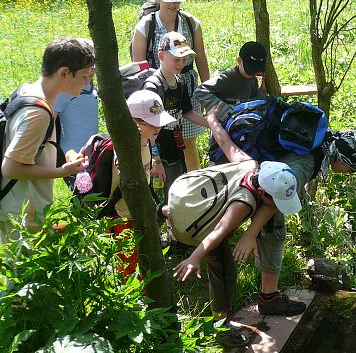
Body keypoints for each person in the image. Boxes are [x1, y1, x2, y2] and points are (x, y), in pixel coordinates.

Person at [205, 107, 356, 316]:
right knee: (269, 233)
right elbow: (274, 199)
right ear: (343, 159)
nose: (350, 173)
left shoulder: (318, 139)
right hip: (249, 188)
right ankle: (258, 303)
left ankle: (263, 297)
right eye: (352, 169)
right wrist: (250, 234)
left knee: (262, 232)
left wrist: (212, 121)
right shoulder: (307, 164)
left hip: (244, 176)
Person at [165, 157, 302, 346]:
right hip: (199, 229)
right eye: (276, 201)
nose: (276, 206)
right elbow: (219, 230)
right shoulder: (244, 203)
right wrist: (194, 258)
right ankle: (220, 327)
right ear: (261, 192)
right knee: (225, 274)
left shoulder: (250, 166)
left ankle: (161, 210)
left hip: (184, 194)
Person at [0, 38, 94, 241]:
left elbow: (34, 151)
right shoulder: (38, 113)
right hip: (21, 218)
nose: (87, 83)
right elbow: (10, 168)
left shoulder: (27, 91)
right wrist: (62, 172)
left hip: (22, 211)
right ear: (64, 73)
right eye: (85, 76)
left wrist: (64, 158)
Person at [131, 0, 210, 173]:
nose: (173, 4)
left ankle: (192, 180)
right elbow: (138, 67)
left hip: (187, 87)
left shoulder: (191, 23)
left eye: (177, 0)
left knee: (188, 143)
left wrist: (208, 94)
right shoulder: (146, 26)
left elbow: (201, 58)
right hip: (157, 91)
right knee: (159, 141)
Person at [107, 90, 176, 277]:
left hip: (137, 212)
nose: (158, 127)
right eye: (151, 123)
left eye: (159, 122)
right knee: (129, 267)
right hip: (123, 215)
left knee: (143, 260)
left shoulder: (146, 140)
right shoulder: (127, 148)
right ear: (134, 122)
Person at [147, 31, 209, 200]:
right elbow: (148, 127)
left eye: (184, 59)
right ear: (161, 55)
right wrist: (155, 159)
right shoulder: (153, 86)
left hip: (176, 146)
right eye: (176, 59)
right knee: (160, 197)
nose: (182, 63)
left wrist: (212, 124)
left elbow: (187, 112)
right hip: (158, 151)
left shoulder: (180, 81)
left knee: (177, 191)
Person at [194, 41, 267, 122]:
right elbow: (200, 91)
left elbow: (255, 100)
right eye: (249, 70)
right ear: (239, 61)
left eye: (256, 71)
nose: (252, 74)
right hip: (224, 124)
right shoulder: (227, 78)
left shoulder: (253, 81)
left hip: (243, 124)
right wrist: (227, 113)